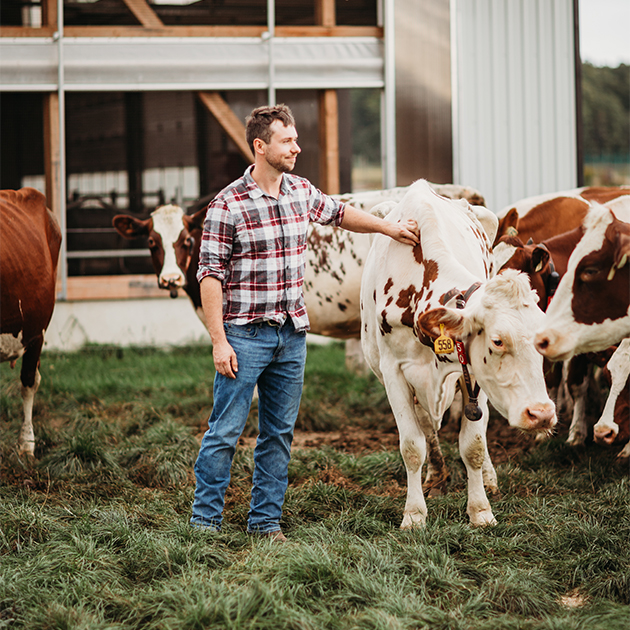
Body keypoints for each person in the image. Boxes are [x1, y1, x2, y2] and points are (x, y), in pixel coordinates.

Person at [190, 104, 418, 541]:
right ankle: (204, 524)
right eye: (287, 140)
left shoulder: (300, 190)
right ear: (260, 146)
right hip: (245, 336)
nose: (297, 146)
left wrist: (388, 228)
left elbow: (340, 212)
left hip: (292, 335)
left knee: (277, 435)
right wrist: (219, 341)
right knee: (224, 432)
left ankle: (265, 524)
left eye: (296, 139)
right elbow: (210, 275)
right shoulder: (227, 205)